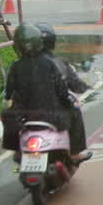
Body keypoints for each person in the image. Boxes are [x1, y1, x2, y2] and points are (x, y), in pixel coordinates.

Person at [3, 23, 86, 161]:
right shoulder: (51, 63)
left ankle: (18, 150)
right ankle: (75, 153)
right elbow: (61, 90)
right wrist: (68, 101)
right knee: (75, 110)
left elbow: (8, 92)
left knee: (7, 115)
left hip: (24, 116)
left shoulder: (15, 66)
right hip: (51, 115)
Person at [37, 23, 91, 161]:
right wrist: (85, 87)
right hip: (53, 112)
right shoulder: (58, 63)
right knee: (75, 109)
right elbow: (73, 86)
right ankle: (75, 152)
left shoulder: (19, 64)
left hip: (26, 111)